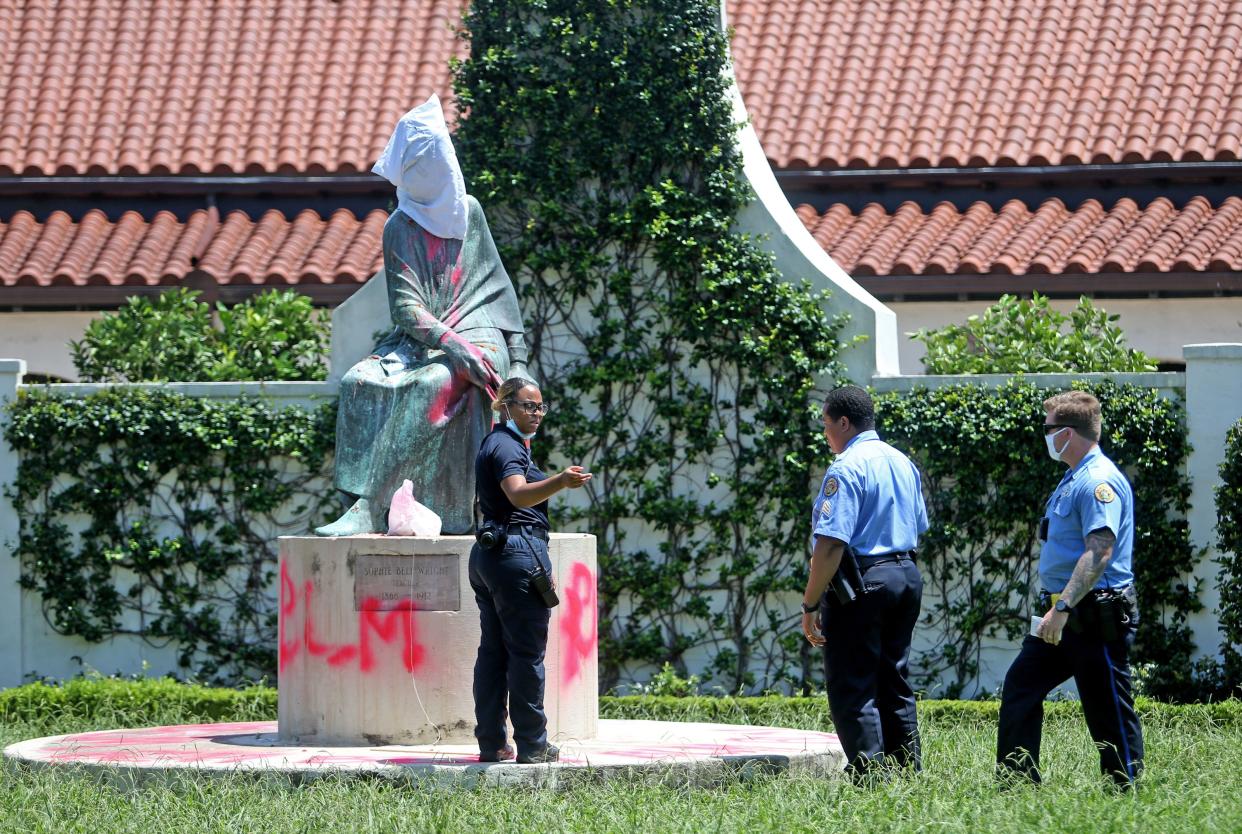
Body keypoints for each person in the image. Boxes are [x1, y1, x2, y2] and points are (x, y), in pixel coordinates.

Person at [316, 94, 535, 537]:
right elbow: (405, 306)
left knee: (433, 384)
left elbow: (497, 286)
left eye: (422, 168)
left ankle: (371, 503)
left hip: (480, 331)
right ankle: (367, 506)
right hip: (426, 339)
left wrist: (518, 357)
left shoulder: (470, 213)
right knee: (358, 382)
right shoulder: (400, 225)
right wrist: (450, 345)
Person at [996, 390, 1143, 788]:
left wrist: (1062, 608)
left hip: (1093, 612)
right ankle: (1016, 782)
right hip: (1060, 612)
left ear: (1067, 433)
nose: (1044, 436)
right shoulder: (1073, 476)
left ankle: (1124, 786)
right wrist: (1056, 609)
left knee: (1106, 703)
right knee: (1021, 687)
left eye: (1048, 429)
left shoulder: (1098, 481)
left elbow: (1100, 551)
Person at [800, 385, 928, 779]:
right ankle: (908, 774)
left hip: (863, 580)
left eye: (825, 425)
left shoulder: (846, 467)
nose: (825, 435)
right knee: (894, 679)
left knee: (853, 684)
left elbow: (830, 545)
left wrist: (809, 604)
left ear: (843, 422)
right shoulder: (901, 461)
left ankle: (871, 780)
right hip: (905, 575)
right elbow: (920, 525)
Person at [470, 378, 591, 763]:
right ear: (505, 406)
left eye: (541, 407)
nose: (536, 414)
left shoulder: (500, 444)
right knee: (525, 655)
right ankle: (534, 745)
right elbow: (518, 493)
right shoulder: (506, 446)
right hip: (516, 550)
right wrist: (560, 481)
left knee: (493, 653)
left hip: (492, 553)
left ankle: (492, 743)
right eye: (528, 406)